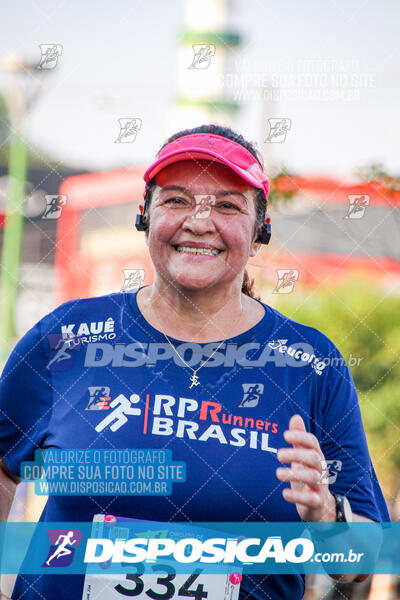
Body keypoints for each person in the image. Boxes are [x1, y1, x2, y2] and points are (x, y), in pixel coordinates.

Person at [0, 124, 389, 600]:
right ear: (144, 215)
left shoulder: (312, 364)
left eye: (227, 205)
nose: (199, 223)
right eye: (177, 200)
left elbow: (366, 561)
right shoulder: (67, 338)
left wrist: (327, 516)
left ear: (260, 229)